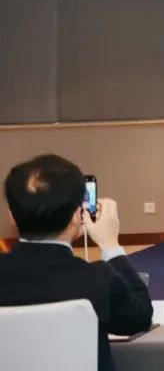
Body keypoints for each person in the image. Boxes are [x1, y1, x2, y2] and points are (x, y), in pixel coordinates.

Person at [0, 154, 153, 371]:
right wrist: (110, 244)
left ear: (12, 217)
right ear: (76, 216)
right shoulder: (98, 279)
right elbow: (140, 317)